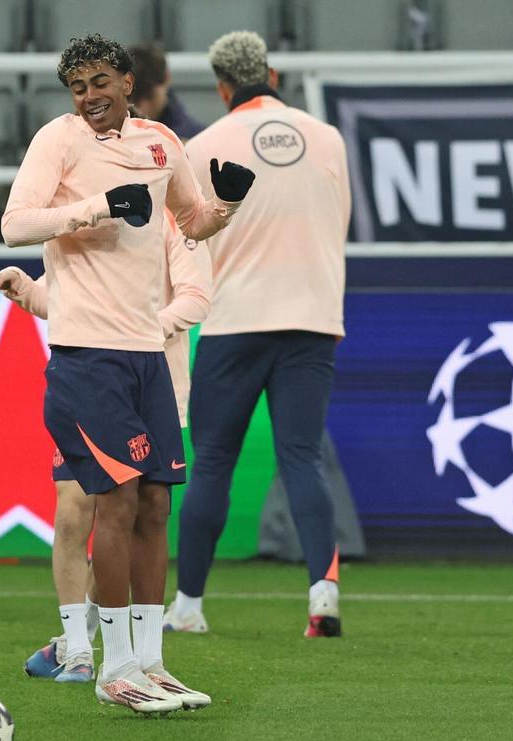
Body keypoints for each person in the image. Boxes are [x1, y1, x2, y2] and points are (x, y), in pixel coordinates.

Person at [0, 33, 253, 713]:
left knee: (153, 505)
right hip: (87, 355)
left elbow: (191, 223)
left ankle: (150, 662)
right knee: (111, 505)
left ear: (126, 82)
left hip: (147, 355)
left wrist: (225, 206)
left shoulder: (163, 144)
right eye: (78, 87)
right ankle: (113, 670)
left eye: (99, 83)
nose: (89, 98)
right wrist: (98, 207)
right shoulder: (58, 141)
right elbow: (17, 222)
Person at [0, 209, 212, 713]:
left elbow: (196, 297)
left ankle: (134, 658)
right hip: (93, 379)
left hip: (158, 383)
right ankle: (87, 653)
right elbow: (64, 303)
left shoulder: (176, 223)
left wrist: (137, 331)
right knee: (79, 509)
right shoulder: (83, 215)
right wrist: (25, 288)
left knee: (146, 509)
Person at [165, 31, 350, 638]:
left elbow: (186, 238)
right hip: (312, 321)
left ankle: (188, 606)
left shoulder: (204, 143)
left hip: (234, 321)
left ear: (221, 86)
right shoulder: (327, 138)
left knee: (213, 463)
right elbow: (339, 223)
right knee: (302, 458)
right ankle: (323, 598)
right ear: (270, 73)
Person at [129, 43, 207, 140]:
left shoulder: (197, 139)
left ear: (167, 78)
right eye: (133, 99)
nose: (143, 109)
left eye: (150, 97)